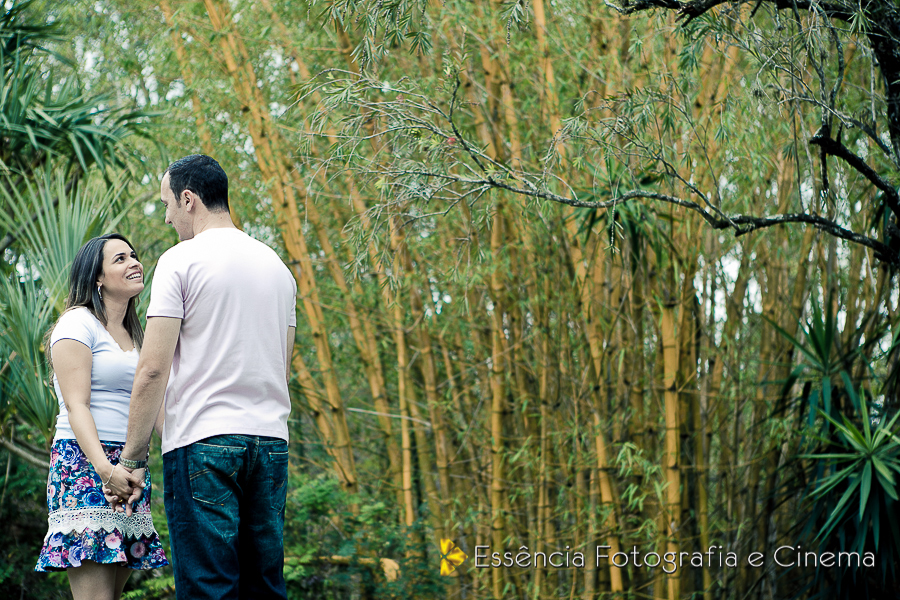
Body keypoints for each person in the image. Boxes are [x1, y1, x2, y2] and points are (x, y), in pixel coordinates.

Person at [108, 155, 297, 600]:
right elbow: (282, 367)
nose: (167, 217)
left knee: (209, 589)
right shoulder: (278, 269)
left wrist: (132, 460)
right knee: (265, 586)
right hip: (270, 444)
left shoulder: (181, 260)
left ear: (188, 199)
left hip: (203, 444)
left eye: (167, 205)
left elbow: (153, 369)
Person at [35, 233, 168, 600]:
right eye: (120, 259)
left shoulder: (137, 334)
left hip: (131, 466)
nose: (134, 263)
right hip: (85, 463)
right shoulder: (77, 324)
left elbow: (154, 403)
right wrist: (106, 470)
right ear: (97, 277)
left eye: (134, 256)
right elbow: (76, 405)